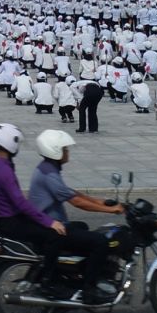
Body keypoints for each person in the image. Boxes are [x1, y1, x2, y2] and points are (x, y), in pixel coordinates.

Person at [28, 130, 124, 303]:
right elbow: (77, 202)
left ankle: (77, 274)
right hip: (52, 230)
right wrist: (111, 210)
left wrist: (100, 201)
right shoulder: (49, 174)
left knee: (83, 227)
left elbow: (70, 192)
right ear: (55, 151)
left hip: (52, 226)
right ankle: (89, 288)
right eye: (65, 149)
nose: (67, 152)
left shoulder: (48, 168)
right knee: (101, 242)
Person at [0, 124, 70, 295]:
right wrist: (49, 221)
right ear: (10, 143)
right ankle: (48, 282)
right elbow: (20, 202)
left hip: (5, 219)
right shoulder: (4, 170)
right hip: (11, 222)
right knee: (55, 235)